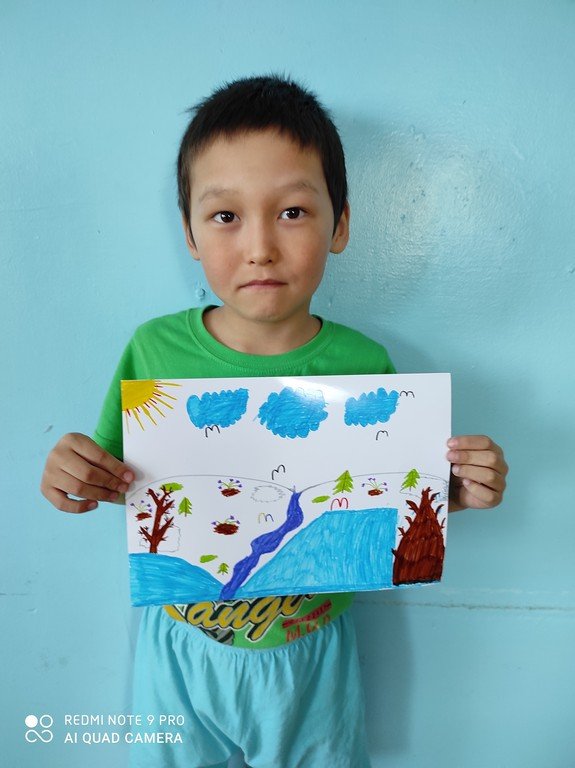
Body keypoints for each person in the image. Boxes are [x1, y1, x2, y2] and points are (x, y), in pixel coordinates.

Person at [41, 75, 508, 768]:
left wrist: (457, 493)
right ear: (189, 233)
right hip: (180, 647)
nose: (259, 246)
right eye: (225, 216)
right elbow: (108, 479)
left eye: (292, 211)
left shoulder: (365, 365)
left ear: (339, 224)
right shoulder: (153, 350)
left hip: (311, 654)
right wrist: (70, 476)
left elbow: (393, 503)